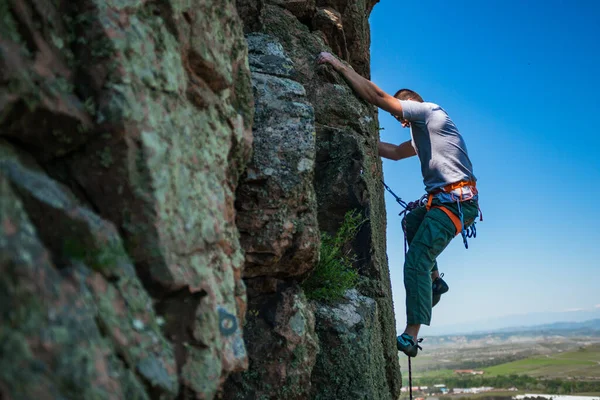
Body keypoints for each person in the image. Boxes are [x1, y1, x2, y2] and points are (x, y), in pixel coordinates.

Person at [317, 52, 480, 357]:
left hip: (456, 203)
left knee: (416, 260)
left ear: (410, 105)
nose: (400, 121)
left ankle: (411, 335)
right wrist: (362, 138)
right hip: (444, 202)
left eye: (400, 115)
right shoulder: (422, 135)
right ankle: (435, 283)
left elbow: (378, 96)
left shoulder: (430, 112)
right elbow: (392, 152)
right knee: (411, 222)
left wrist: (340, 66)